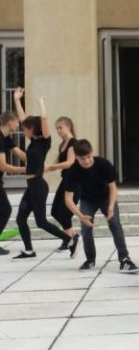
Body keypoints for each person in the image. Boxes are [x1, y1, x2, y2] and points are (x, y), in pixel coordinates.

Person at [11, 88, 76, 260]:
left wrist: (41, 102)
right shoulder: (33, 140)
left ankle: (69, 239)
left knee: (41, 221)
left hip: (39, 185)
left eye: (26, 128)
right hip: (31, 186)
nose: (23, 129)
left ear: (33, 129)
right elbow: (23, 118)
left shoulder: (44, 141)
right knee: (20, 219)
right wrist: (17, 100)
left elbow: (44, 119)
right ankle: (29, 250)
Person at [64, 139, 139, 273]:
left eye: (89, 157)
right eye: (82, 159)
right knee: (86, 227)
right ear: (76, 157)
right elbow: (68, 199)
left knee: (115, 223)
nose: (87, 161)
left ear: (92, 153)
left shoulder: (103, 164)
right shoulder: (72, 171)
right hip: (87, 199)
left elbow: (113, 187)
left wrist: (111, 206)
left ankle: (125, 259)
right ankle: (90, 260)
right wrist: (81, 216)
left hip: (106, 197)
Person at [45, 117, 80, 253]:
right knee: (55, 211)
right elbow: (56, 163)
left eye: (61, 127)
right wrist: (44, 168)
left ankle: (70, 238)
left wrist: (50, 167)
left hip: (75, 183)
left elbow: (69, 163)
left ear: (68, 126)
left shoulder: (74, 144)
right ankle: (70, 237)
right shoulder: (62, 144)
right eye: (57, 128)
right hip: (65, 181)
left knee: (64, 214)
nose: (58, 131)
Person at [0, 110, 25, 256]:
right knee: (5, 210)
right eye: (16, 122)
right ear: (10, 122)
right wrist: (25, 169)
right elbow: (2, 166)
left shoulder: (6, 138)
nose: (18, 124)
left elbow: (19, 153)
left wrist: (36, 160)